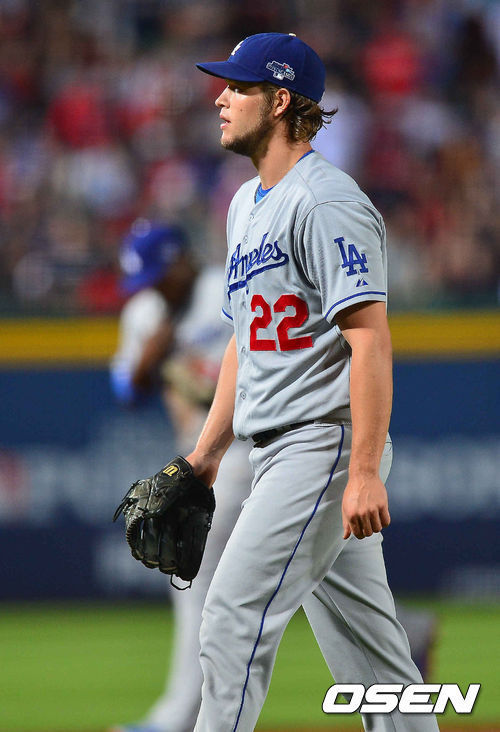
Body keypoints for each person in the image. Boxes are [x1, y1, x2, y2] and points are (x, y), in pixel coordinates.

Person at [173, 33, 438, 731]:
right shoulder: (244, 204)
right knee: (375, 664)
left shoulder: (325, 202)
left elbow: (369, 338)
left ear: (280, 101)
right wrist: (206, 453)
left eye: (239, 86)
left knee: (231, 617)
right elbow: (244, 342)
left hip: (320, 446)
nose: (221, 97)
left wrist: (363, 471)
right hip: (279, 451)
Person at [110, 219, 252, 732]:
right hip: (206, 451)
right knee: (309, 570)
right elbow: (125, 390)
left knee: (195, 573)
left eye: (157, 275)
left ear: (181, 262)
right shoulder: (144, 313)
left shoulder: (227, 287)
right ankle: (406, 635)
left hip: (252, 442)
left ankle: (176, 720)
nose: (151, 288)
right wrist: (147, 361)